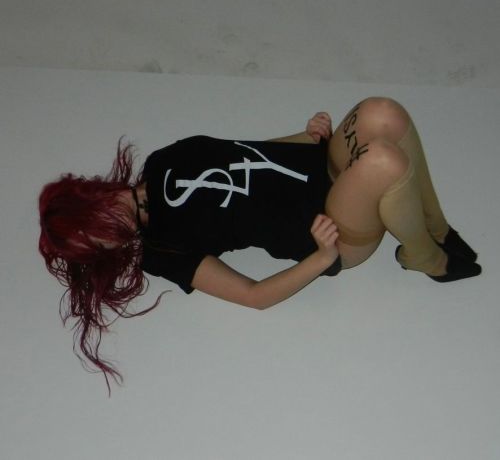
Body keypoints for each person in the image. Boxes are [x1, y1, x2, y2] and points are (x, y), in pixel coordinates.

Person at [38, 97, 481, 391]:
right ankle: (426, 256)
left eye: (93, 215)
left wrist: (305, 138)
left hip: (323, 167)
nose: (107, 223)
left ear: (94, 192)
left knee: (383, 113)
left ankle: (436, 227)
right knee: (383, 161)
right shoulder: (161, 250)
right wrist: (322, 257)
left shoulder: (161, 161)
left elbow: (243, 155)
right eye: (95, 236)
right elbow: (253, 296)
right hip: (334, 228)